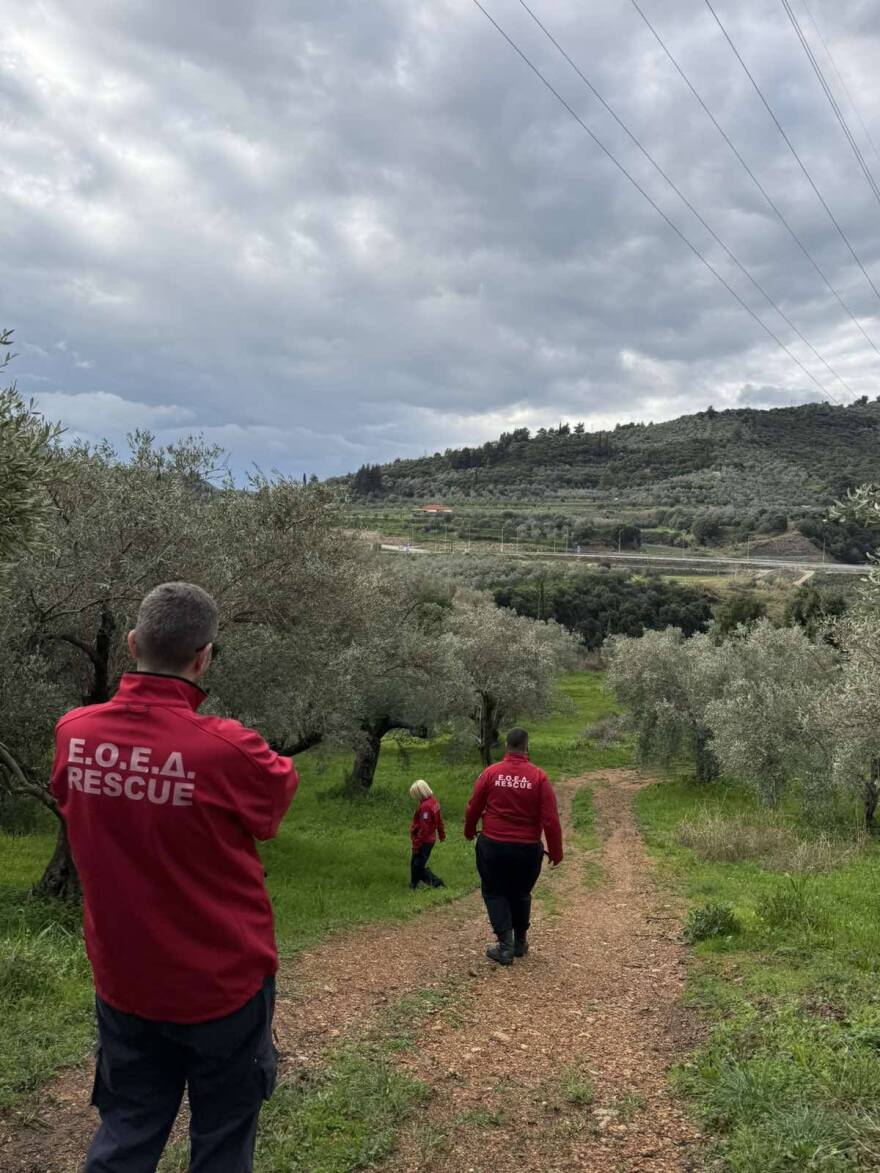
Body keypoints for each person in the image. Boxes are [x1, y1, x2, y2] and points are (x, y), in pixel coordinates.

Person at [50, 581, 299, 1173]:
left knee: (128, 1127)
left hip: (124, 981)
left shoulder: (74, 733)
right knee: (222, 1139)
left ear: (132, 643)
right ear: (204, 656)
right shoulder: (229, 750)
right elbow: (275, 799)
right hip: (224, 986)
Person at [464, 727, 562, 965]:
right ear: (527, 747)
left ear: (507, 746)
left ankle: (505, 946)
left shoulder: (491, 773)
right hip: (527, 849)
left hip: (493, 845)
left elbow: (473, 807)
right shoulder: (538, 777)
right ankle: (519, 942)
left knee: (494, 891)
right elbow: (550, 818)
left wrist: (469, 831)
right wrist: (556, 851)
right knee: (520, 892)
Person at [409, 779, 446, 889]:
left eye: (415, 795)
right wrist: (441, 834)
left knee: (417, 865)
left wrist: (417, 844)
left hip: (423, 841)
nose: (415, 798)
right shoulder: (434, 802)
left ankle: (436, 883)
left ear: (420, 793)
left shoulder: (425, 807)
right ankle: (413, 885)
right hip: (430, 839)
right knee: (416, 864)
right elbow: (439, 821)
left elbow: (424, 829)